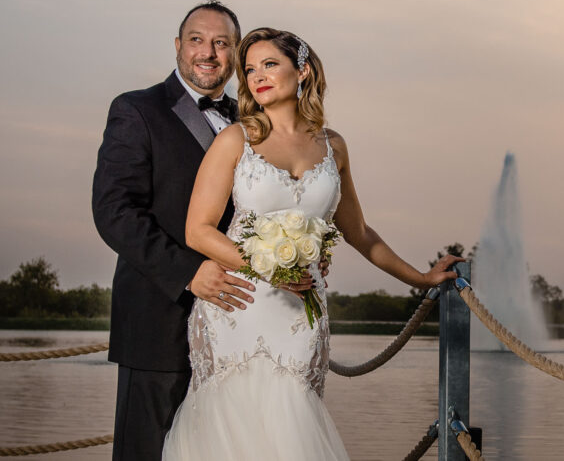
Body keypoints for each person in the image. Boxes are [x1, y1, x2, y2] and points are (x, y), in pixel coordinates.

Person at [163, 27, 463, 460]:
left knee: (293, 427)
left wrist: (420, 277)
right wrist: (267, 267)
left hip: (301, 315)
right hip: (240, 305)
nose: (256, 77)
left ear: (302, 70)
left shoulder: (333, 145)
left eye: (270, 64)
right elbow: (199, 231)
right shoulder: (235, 139)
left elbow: (359, 232)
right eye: (249, 69)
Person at [92, 0, 258, 461]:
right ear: (178, 47)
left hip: (240, 325)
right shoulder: (136, 109)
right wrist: (188, 273)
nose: (208, 52)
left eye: (221, 43)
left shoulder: (253, 123)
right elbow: (114, 211)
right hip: (159, 323)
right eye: (197, 40)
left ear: (236, 53)